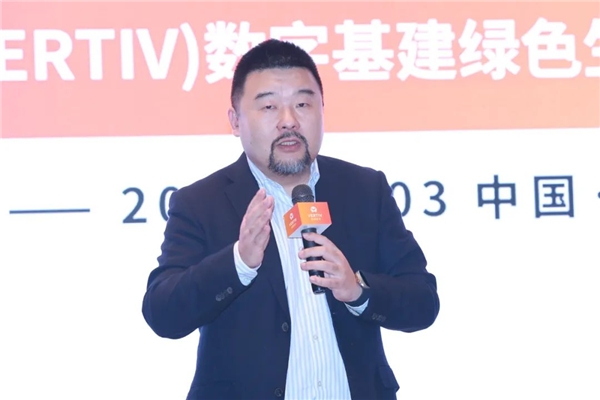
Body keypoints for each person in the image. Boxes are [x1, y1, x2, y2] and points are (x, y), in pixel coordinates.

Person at [142, 38, 440, 400]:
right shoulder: (201, 202)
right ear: (235, 121)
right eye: (269, 106)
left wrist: (358, 290)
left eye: (302, 104)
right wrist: (238, 263)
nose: (289, 121)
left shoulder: (364, 189)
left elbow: (423, 302)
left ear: (322, 111)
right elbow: (163, 314)